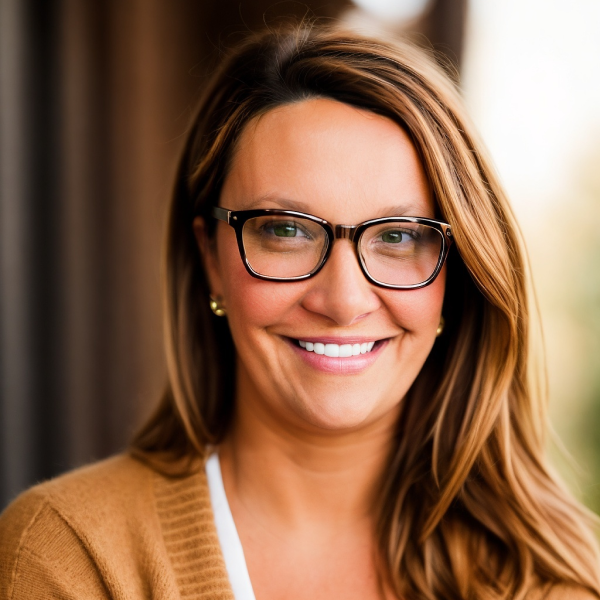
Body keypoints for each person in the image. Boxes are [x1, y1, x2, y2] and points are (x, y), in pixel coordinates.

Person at [1, 21, 599, 600]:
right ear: (210, 256)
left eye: (397, 237)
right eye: (285, 230)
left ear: (457, 276)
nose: (342, 301)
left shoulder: (561, 581)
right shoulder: (70, 557)